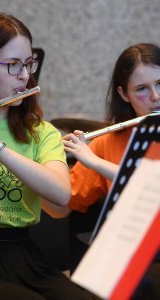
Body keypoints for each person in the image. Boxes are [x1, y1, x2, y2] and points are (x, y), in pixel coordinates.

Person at [0, 11, 93, 300]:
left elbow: (61, 194)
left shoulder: (40, 132)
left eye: (28, 64)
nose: (25, 75)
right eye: (12, 65)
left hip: (24, 253)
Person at [60, 43, 160, 300]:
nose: (156, 97)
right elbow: (65, 200)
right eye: (142, 89)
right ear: (124, 94)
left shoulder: (96, 156)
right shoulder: (109, 142)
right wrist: (45, 159)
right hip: (133, 258)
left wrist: (94, 161)